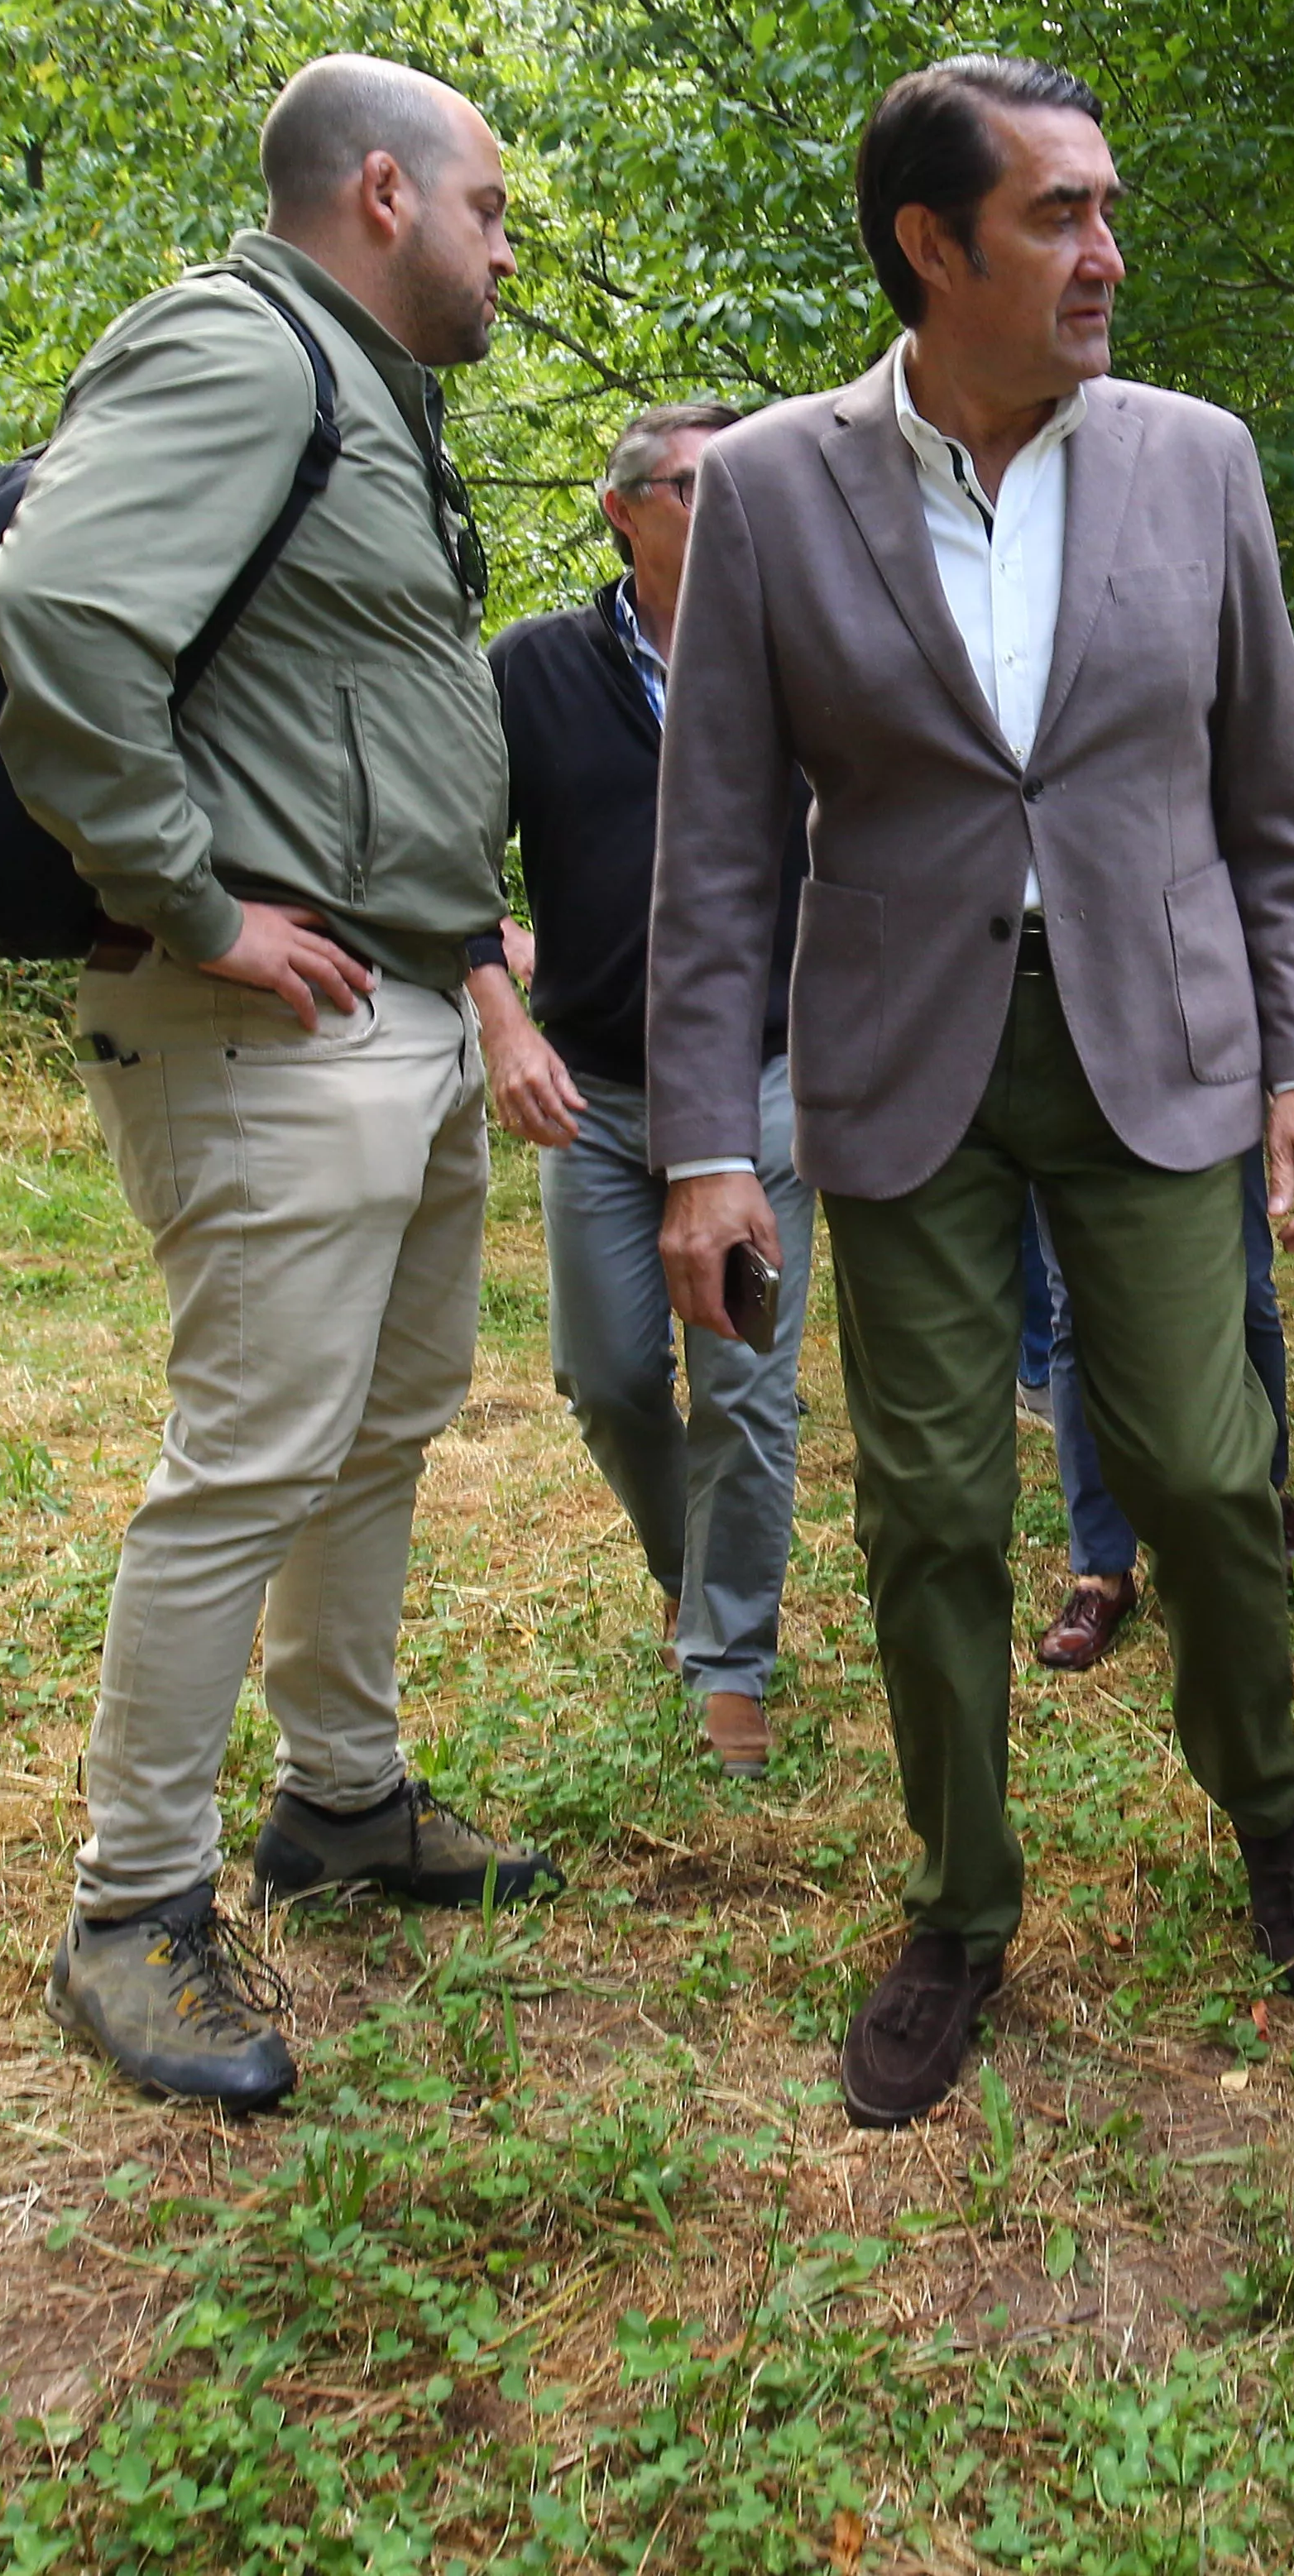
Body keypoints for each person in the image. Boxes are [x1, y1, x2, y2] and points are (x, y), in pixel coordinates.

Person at [647, 52, 1294, 2132]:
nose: (1106, 252)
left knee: (1207, 1481)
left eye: (1106, 208)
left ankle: (1267, 1799)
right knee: (936, 1511)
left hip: (1157, 1043)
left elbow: (1275, 808)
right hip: (902, 1063)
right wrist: (704, 1146)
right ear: (930, 245)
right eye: (1059, 215)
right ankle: (960, 1904)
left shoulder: (1196, 461)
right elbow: (714, 852)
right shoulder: (769, 487)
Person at [0, 52, 560, 2115]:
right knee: (249, 1458)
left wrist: (472, 954)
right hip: (265, 1021)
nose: (508, 252)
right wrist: (199, 903)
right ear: (383, 194)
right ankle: (133, 1906)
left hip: (398, 1006)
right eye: (491, 209)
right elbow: (55, 609)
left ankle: (342, 1799)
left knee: (379, 1426)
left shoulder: (368, 396)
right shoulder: (244, 352)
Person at [467, 402, 813, 1779]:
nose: (730, 510)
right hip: (597, 1095)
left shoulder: (798, 658)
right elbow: (447, 852)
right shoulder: (535, 668)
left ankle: (729, 1658)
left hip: (764, 1085)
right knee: (607, 1375)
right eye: (694, 487)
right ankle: (690, 1568)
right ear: (622, 510)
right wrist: (503, 1016)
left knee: (745, 1380)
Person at [1028, 1161, 1294, 1672]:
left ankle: (1264, 1503)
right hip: (1066, 1120)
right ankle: (1101, 1572)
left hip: (1208, 1117)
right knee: (1077, 1312)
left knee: (1246, 1289)